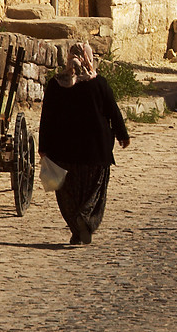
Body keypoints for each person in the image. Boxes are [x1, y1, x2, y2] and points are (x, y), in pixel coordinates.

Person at [38, 41, 129, 245]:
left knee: (67, 193)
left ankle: (76, 228)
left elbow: (47, 117)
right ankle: (85, 219)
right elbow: (113, 111)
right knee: (94, 191)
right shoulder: (98, 84)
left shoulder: (55, 85)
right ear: (89, 58)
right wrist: (123, 135)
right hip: (95, 151)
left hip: (62, 151)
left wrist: (43, 146)